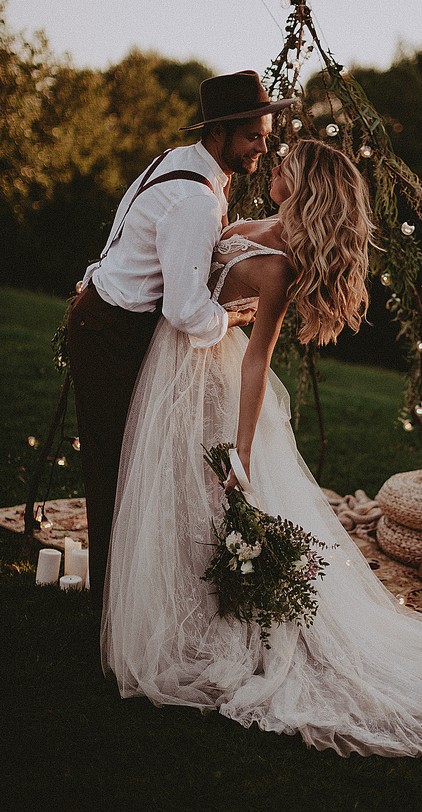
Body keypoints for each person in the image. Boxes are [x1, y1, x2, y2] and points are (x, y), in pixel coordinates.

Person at [101, 139, 422, 758]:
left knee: (210, 498)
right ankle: (179, 608)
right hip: (179, 361)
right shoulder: (258, 220)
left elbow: (257, 363)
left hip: (212, 380)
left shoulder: (280, 267)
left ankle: (216, 621)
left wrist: (243, 449)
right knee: (174, 498)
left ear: (307, 188)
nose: (276, 168)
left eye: (288, 168)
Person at [67, 71, 295, 608]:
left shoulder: (184, 163)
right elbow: (185, 308)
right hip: (111, 332)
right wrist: (238, 318)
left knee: (128, 462)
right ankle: (112, 602)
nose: (264, 147)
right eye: (253, 137)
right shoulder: (196, 199)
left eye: (266, 135)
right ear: (220, 133)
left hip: (108, 312)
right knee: (115, 466)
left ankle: (127, 589)